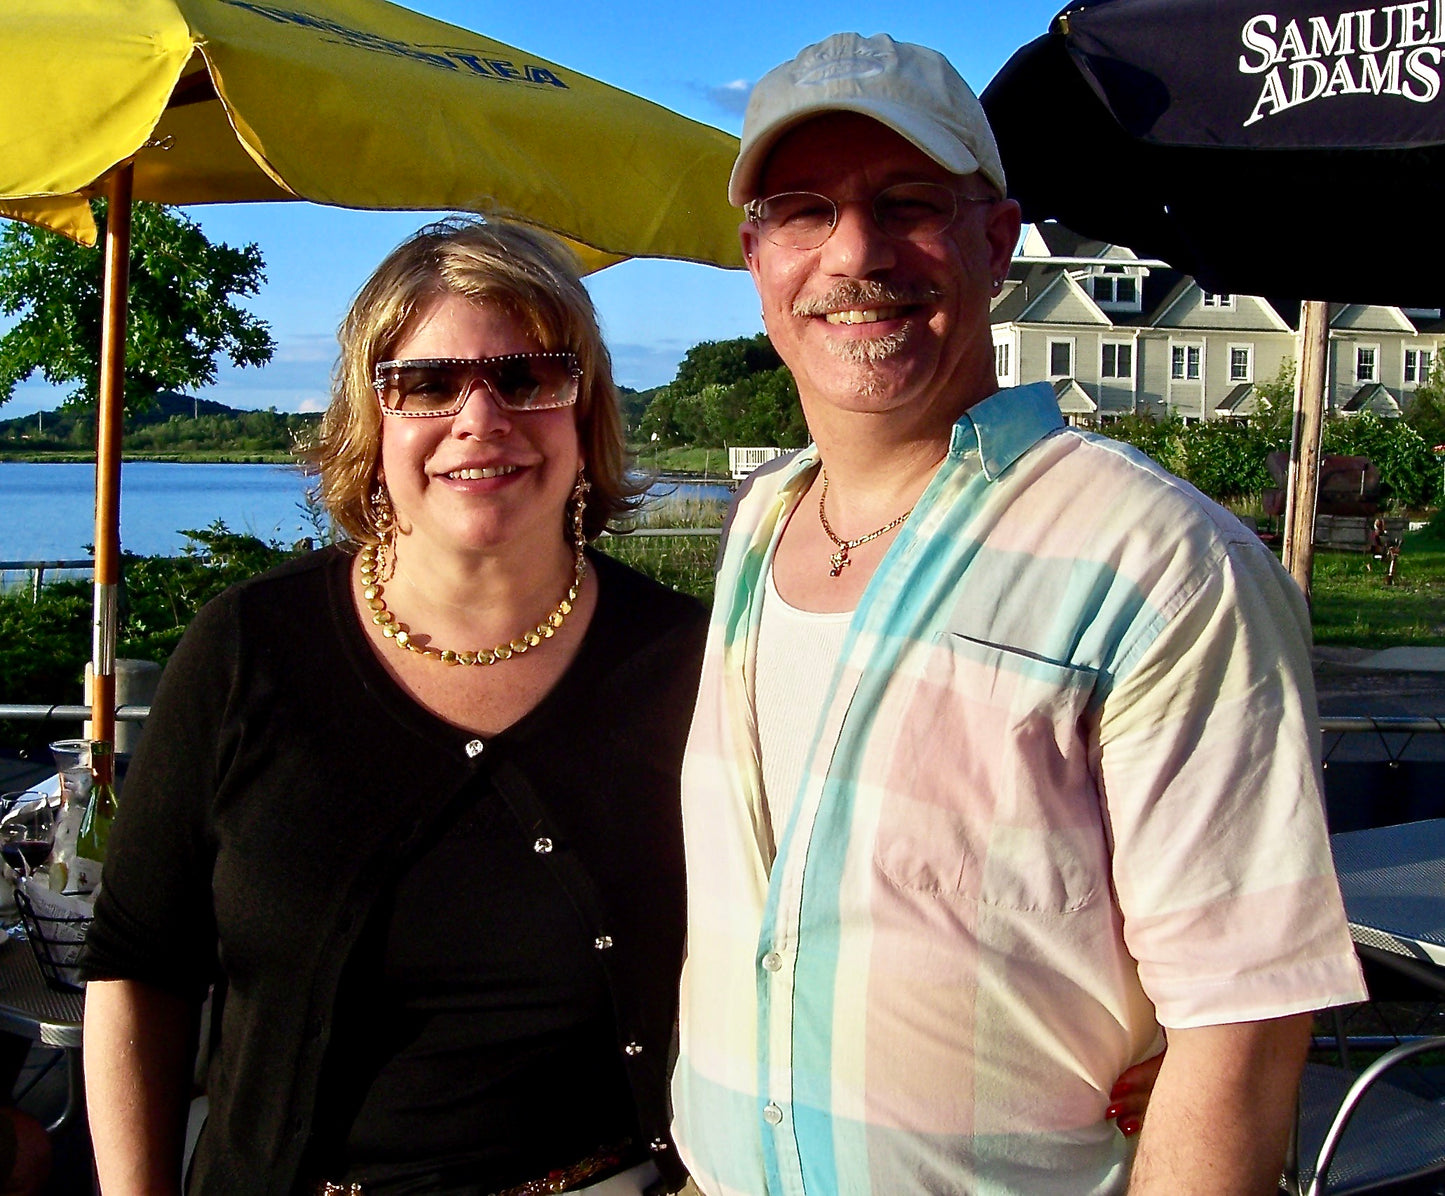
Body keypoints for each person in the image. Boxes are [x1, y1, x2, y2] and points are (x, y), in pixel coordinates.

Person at [670, 32, 1368, 1196]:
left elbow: (1240, 1020)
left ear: (995, 242)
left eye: (906, 204)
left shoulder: (1162, 564)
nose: (855, 254)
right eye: (804, 211)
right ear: (756, 258)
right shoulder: (757, 526)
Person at [79, 218, 707, 1195]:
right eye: (427, 382)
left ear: (583, 414)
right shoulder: (247, 650)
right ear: (372, 426)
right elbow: (137, 967)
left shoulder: (692, 662)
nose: (480, 417)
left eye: (527, 376)